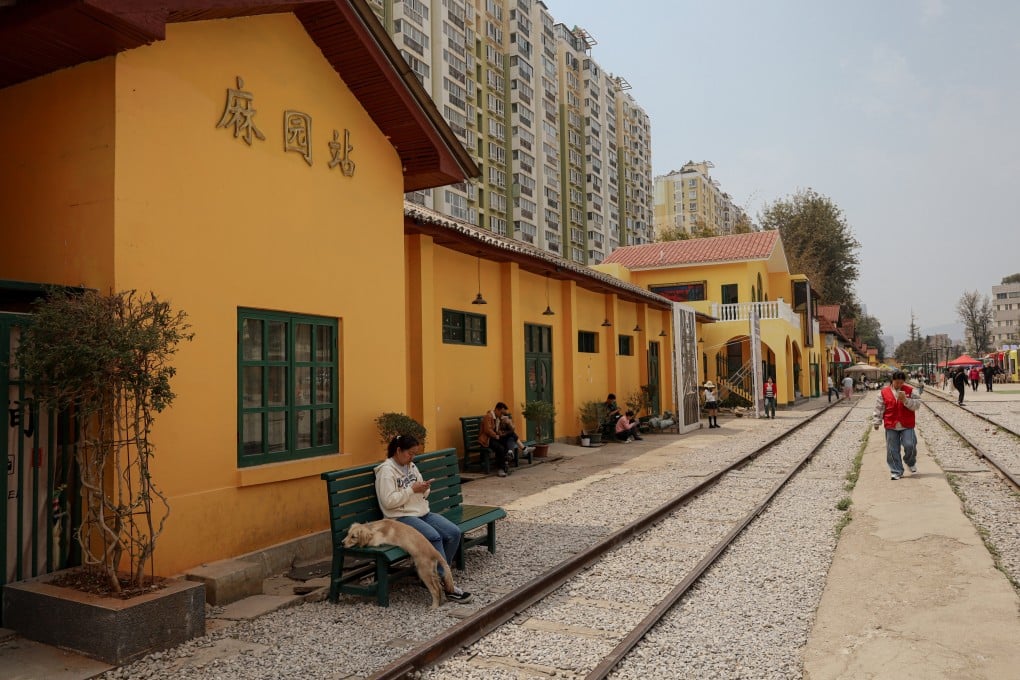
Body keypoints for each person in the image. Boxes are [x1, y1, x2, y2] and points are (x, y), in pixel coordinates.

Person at [374, 434, 472, 602]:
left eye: (414, 454)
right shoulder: (386, 471)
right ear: (398, 450)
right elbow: (388, 502)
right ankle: (446, 584)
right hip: (399, 518)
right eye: (410, 453)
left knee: (453, 532)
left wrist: (424, 488)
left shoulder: (411, 466)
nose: (412, 457)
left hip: (421, 512)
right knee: (433, 536)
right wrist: (412, 490)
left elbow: (421, 492)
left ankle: (435, 575)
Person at [872, 370, 921, 480]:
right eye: (896, 382)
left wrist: (905, 400)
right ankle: (896, 470)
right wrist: (876, 421)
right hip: (891, 423)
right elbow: (879, 408)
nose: (899, 385)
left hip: (907, 424)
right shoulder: (883, 392)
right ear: (892, 381)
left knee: (910, 445)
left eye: (901, 382)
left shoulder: (911, 391)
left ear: (904, 381)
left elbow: (917, 405)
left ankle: (910, 461)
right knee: (892, 449)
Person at [480, 402, 514, 477]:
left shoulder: (497, 418)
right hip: (487, 439)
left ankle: (508, 454)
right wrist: (496, 435)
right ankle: (501, 469)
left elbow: (496, 429)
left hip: (493, 438)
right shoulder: (488, 416)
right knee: (500, 448)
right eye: (501, 413)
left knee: (509, 437)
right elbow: (487, 430)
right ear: (497, 410)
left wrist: (500, 433)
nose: (502, 415)